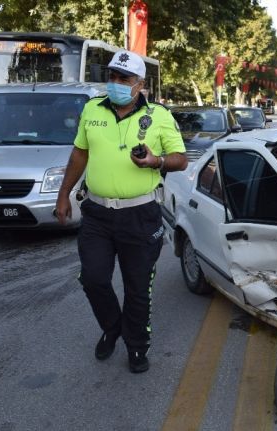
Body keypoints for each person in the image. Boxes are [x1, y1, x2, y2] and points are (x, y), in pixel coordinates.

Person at [55, 50, 188, 373]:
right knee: (93, 278)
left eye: (124, 79)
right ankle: (112, 327)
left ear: (140, 84)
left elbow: (180, 159)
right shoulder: (91, 109)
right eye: (112, 76)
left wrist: (155, 161)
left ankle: (137, 347)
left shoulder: (158, 115)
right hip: (97, 214)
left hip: (140, 215)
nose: (115, 83)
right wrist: (64, 194)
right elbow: (79, 154)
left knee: (137, 286)